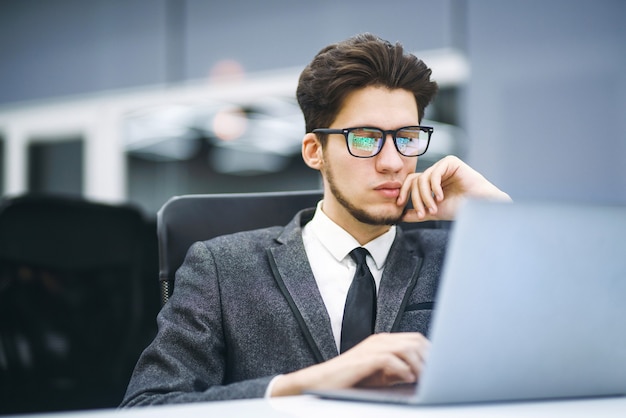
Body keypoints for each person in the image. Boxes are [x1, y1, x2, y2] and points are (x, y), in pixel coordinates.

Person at [121, 33, 510, 406]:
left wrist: (496, 215)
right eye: (364, 138)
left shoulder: (458, 259)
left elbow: (558, 356)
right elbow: (146, 405)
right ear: (314, 151)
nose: (393, 162)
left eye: (406, 137)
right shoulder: (222, 268)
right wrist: (304, 385)